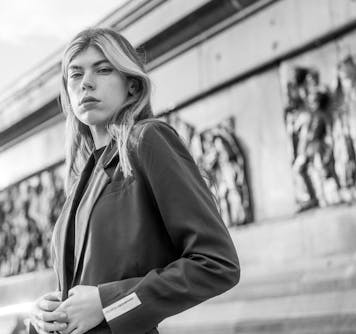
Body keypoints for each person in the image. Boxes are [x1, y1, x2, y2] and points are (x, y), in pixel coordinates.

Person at [29, 28, 240, 334]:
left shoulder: (148, 140)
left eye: (102, 70)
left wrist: (109, 303)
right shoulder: (81, 181)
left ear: (131, 85)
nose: (86, 82)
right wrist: (43, 314)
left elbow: (216, 264)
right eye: (75, 75)